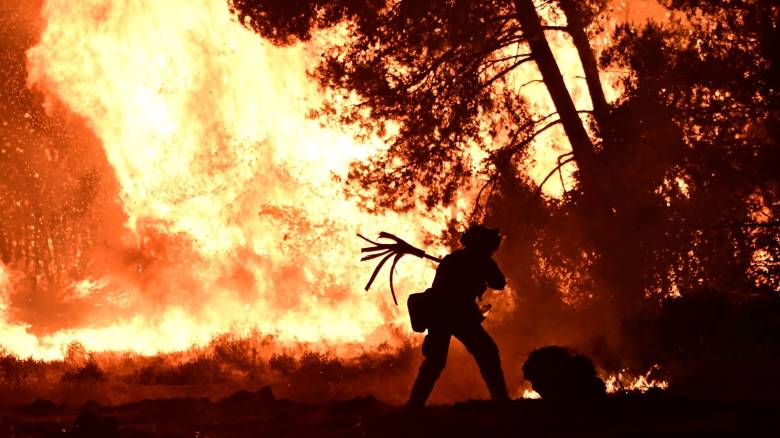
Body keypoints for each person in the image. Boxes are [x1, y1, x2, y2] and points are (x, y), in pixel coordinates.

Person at [406, 224, 510, 409]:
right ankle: (501, 400)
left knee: (435, 361)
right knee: (487, 352)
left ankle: (414, 405)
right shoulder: (482, 261)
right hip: (457, 315)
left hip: (440, 314)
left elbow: (497, 283)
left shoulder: (453, 259)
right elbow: (499, 283)